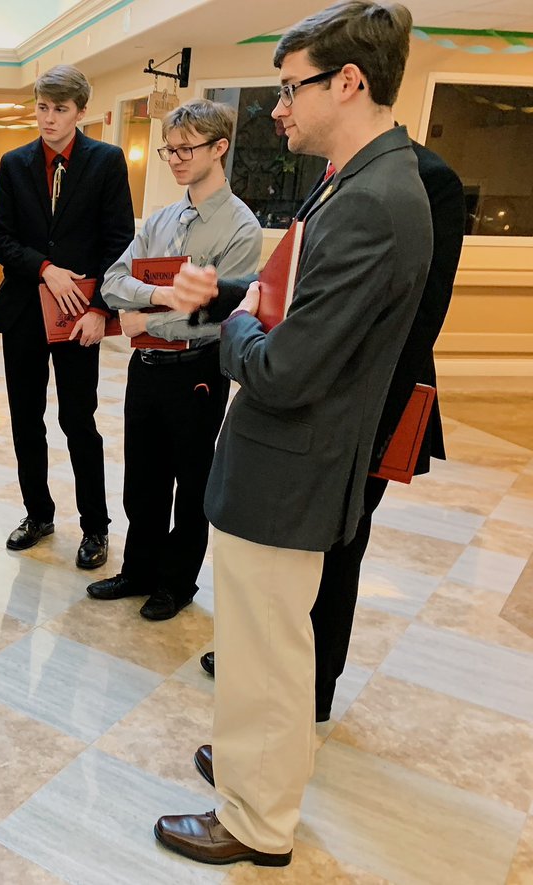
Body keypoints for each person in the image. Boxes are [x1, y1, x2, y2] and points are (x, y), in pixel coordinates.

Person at [152, 1, 433, 867]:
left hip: (291, 467)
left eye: (290, 87)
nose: (278, 108)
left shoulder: (376, 201)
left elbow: (281, 366)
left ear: (349, 82)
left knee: (269, 652)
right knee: (258, 642)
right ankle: (252, 765)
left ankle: (257, 818)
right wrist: (245, 310)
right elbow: (292, 317)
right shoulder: (356, 181)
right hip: (285, 460)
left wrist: (231, 322)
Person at [197, 139, 466, 719]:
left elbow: (419, 320)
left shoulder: (423, 180)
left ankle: (312, 687)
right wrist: (222, 295)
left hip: (362, 411)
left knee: (337, 548)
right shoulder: (336, 174)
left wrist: (374, 435)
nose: (278, 111)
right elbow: (296, 288)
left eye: (294, 87)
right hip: (310, 388)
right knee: (290, 553)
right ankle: (277, 659)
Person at [88, 98, 261, 621]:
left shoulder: (240, 228)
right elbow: (113, 283)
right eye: (171, 149)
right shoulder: (160, 219)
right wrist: (160, 299)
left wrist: (141, 319)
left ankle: (177, 582)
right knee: (142, 478)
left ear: (220, 148)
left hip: (197, 372)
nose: (176, 158)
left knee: (191, 482)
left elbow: (217, 315)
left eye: (187, 149)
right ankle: (138, 568)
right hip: (147, 370)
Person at [0, 64, 135, 569]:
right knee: (26, 421)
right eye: (42, 107)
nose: (48, 118)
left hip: (79, 318)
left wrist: (100, 309)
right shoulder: (13, 163)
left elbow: (119, 244)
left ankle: (96, 527)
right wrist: (45, 268)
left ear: (81, 112)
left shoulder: (107, 161)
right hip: (26, 312)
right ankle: (38, 513)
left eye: (60, 109)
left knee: (78, 421)